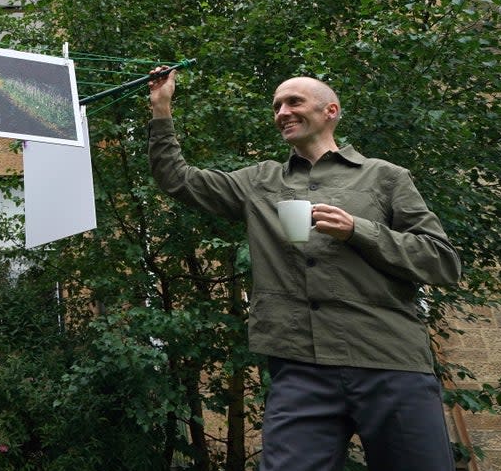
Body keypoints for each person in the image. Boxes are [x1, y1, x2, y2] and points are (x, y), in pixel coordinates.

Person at [146, 72, 461, 471]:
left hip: (389, 361)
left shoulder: (385, 177)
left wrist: (357, 230)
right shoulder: (260, 181)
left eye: (294, 102)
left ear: (331, 111)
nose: (282, 112)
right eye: (277, 105)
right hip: (299, 368)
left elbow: (442, 261)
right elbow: (178, 180)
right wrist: (161, 108)